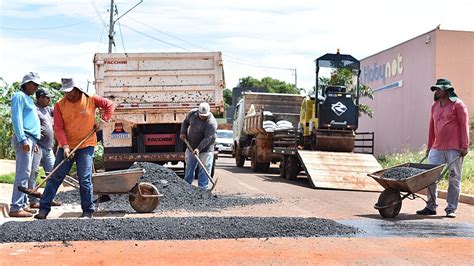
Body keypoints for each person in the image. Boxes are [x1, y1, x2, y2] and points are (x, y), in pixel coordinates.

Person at [34, 78, 115, 219]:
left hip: (86, 144)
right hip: (66, 146)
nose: (69, 95)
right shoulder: (60, 105)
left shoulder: (91, 99)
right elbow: (58, 128)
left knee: (84, 178)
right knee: (55, 177)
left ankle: (87, 211)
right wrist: (65, 146)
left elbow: (110, 105)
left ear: (78, 89)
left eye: (71, 92)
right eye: (66, 92)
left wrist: (103, 120)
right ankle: (43, 209)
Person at [417, 78, 470, 218]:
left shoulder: (458, 105)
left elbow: (465, 126)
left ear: (447, 90)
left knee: (454, 178)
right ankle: (430, 206)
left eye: (439, 89)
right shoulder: (434, 106)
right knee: (430, 177)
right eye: (436, 89)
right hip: (437, 148)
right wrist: (429, 146)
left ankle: (451, 208)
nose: (437, 91)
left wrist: (465, 145)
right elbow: (431, 128)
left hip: (454, 148)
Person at [9, 72, 42, 217]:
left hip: (31, 139)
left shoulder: (28, 98)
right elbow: (16, 119)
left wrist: (34, 140)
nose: (36, 87)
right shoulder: (19, 96)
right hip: (24, 138)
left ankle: (22, 204)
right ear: (26, 83)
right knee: (22, 173)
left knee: (27, 173)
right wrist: (23, 139)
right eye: (33, 84)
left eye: (37, 84)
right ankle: (15, 207)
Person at [27, 87, 56, 209]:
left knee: (53, 174)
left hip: (49, 148)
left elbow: (60, 111)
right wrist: (34, 143)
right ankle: (33, 201)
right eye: (47, 97)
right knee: (33, 173)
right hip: (38, 147)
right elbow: (28, 126)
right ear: (39, 97)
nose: (49, 100)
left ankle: (49, 198)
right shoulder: (33, 110)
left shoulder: (48, 110)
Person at [180, 102, 217, 189]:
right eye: (201, 115)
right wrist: (183, 132)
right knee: (189, 168)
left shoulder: (211, 123)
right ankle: (186, 187)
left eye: (205, 116)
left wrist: (198, 149)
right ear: (198, 112)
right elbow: (185, 122)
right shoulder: (192, 114)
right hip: (191, 146)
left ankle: (202, 189)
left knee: (204, 169)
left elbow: (208, 138)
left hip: (206, 149)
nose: (203, 117)